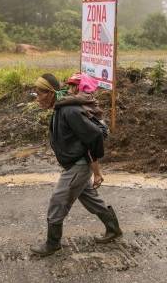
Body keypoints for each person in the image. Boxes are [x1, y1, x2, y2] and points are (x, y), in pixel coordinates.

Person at [30, 73, 122, 256]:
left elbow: (94, 135)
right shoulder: (60, 108)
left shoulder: (68, 111)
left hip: (78, 166)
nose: (37, 98)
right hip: (76, 165)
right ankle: (114, 229)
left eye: (39, 94)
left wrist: (96, 170)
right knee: (90, 198)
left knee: (58, 201)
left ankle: (52, 243)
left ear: (50, 93)